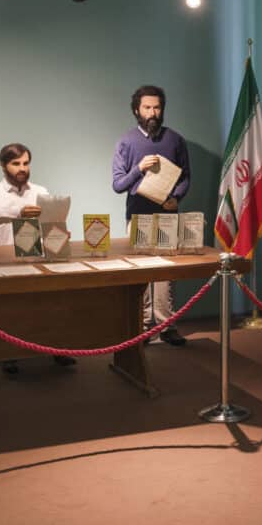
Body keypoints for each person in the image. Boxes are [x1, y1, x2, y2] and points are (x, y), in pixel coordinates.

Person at [0, 143, 75, 373]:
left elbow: (51, 223)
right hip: (3, 263)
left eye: (25, 163)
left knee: (49, 307)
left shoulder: (41, 192)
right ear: (3, 165)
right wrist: (17, 213)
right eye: (15, 163)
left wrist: (59, 231)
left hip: (37, 260)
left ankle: (55, 349)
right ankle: (7, 354)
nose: (22, 168)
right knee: (8, 311)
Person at [112, 85, 190, 346]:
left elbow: (186, 177)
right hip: (138, 216)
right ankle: (143, 326)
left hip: (167, 215)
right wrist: (139, 168)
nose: (153, 112)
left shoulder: (175, 140)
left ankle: (167, 326)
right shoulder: (126, 141)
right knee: (142, 273)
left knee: (165, 275)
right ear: (137, 110)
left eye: (157, 107)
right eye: (147, 107)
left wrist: (176, 198)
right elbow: (118, 185)